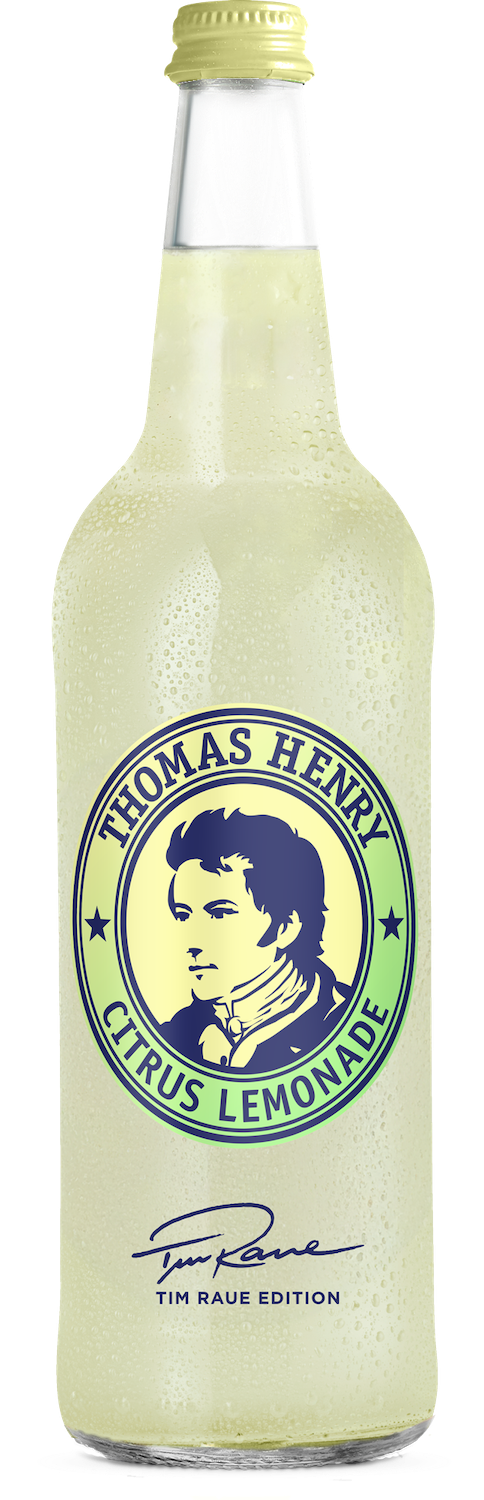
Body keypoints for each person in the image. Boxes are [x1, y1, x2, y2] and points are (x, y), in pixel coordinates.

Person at [160, 807, 354, 1071]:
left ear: (286, 927)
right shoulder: (171, 1038)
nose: (190, 943)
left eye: (219, 914)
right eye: (183, 915)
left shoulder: (341, 1024)